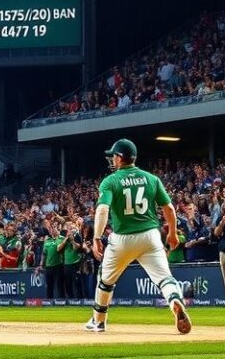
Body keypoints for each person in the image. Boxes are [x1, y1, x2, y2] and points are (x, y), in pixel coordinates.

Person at [84, 138, 191, 334]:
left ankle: (98, 320)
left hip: (122, 238)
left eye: (114, 156)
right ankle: (175, 300)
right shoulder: (151, 178)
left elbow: (102, 210)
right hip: (150, 236)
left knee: (106, 280)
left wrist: (96, 238)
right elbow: (169, 208)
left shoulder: (110, 181)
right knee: (164, 278)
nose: (112, 160)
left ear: (119, 158)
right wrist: (173, 233)